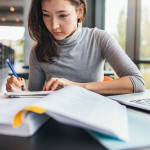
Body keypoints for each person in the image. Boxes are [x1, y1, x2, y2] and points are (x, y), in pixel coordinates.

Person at [6, 0, 145, 95]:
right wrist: (19, 91)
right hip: (54, 123)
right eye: (46, 15)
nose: (53, 25)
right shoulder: (37, 51)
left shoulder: (98, 39)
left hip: (92, 117)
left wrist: (76, 87)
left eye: (62, 15)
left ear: (79, 11)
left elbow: (137, 82)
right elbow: (34, 97)